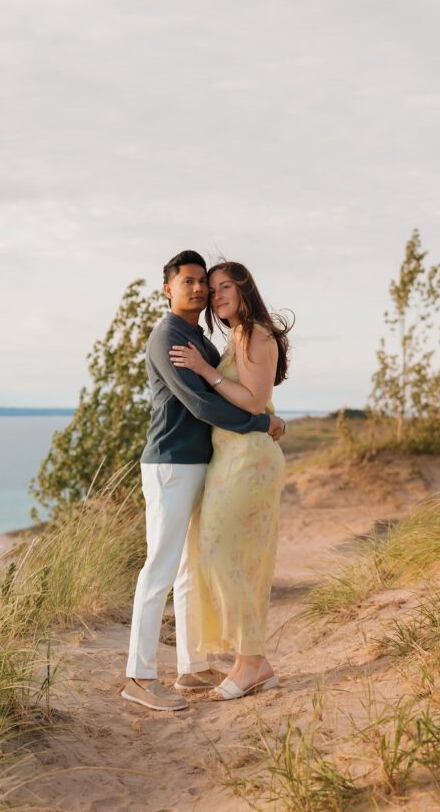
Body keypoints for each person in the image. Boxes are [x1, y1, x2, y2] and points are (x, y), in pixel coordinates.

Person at [121, 250, 286, 712]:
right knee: (160, 567)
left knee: (190, 569)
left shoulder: (198, 337)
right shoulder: (169, 336)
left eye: (205, 284)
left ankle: (191, 667)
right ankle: (139, 675)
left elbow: (234, 390)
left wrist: (261, 416)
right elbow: (200, 404)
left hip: (203, 463)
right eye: (189, 282)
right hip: (171, 464)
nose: (199, 290)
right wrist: (261, 424)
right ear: (168, 289)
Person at [168, 260, 291, 700]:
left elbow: (255, 401)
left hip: (249, 462)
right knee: (230, 556)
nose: (215, 296)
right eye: (210, 289)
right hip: (231, 458)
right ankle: (253, 662)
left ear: (243, 290)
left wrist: (205, 371)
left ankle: (251, 662)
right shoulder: (239, 334)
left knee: (224, 554)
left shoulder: (256, 332)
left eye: (223, 288)